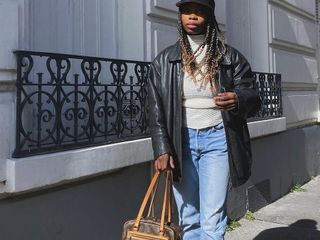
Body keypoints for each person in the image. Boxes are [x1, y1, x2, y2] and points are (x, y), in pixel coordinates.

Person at [147, 0, 261, 239]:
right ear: (180, 16)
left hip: (218, 139)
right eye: (187, 11)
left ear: (209, 17)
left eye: (199, 12)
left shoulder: (229, 57)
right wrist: (161, 148)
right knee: (188, 218)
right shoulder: (164, 61)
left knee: (212, 220)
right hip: (181, 142)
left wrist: (238, 98)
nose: (192, 17)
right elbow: (155, 109)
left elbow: (253, 96)